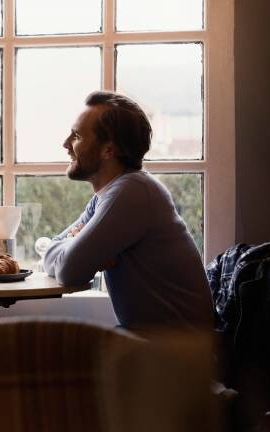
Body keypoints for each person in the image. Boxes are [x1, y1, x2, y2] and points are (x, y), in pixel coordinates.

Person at [42, 91, 213, 335]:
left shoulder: (133, 191)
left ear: (108, 149)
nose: (66, 143)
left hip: (180, 347)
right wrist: (76, 244)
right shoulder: (106, 196)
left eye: (77, 136)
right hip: (148, 340)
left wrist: (78, 248)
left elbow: (68, 271)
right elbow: (50, 254)